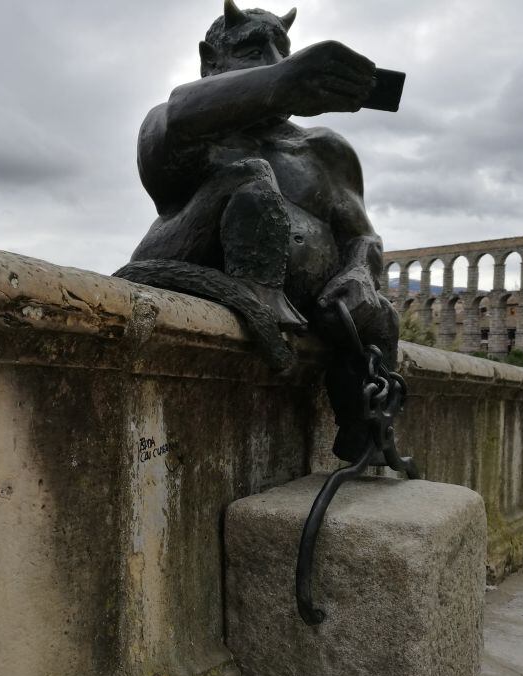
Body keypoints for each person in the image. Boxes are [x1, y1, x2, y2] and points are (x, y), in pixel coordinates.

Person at [115, 1, 399, 463]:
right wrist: (281, 83)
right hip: (197, 263)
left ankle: (366, 437)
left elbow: (362, 238)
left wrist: (359, 274)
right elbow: (179, 112)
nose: (273, 60)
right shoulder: (186, 127)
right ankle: (258, 298)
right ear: (211, 61)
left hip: (315, 308)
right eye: (253, 51)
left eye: (282, 50)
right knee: (252, 175)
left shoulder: (325, 148)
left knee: (380, 316)